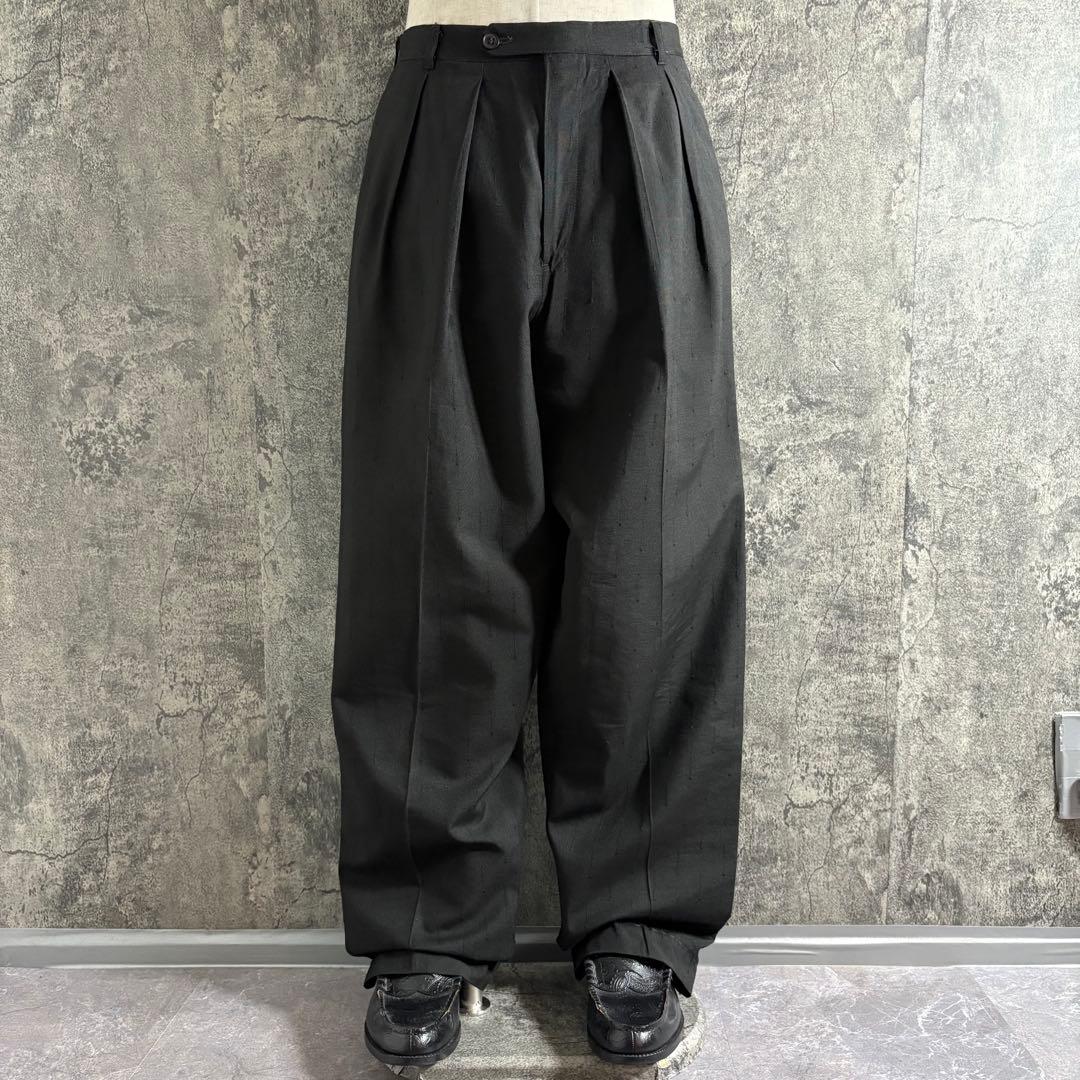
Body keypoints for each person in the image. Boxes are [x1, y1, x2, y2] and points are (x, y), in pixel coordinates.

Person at [331, 6, 745, 1068]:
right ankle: (426, 923)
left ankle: (637, 918)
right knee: (432, 529)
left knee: (650, 542)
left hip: (631, 100)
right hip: (447, 93)